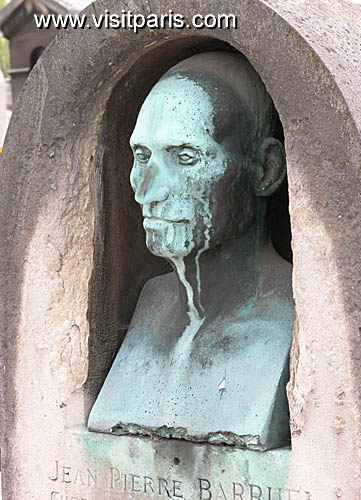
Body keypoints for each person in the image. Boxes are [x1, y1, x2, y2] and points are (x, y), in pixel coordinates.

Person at [88, 51, 294, 451]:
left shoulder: (295, 310)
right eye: (142, 156)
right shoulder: (152, 303)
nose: (146, 191)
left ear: (266, 169)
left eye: (185, 157)